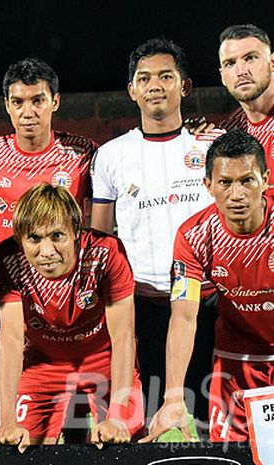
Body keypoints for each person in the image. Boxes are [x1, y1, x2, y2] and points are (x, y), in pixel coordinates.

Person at [91, 38, 222, 428]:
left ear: (185, 85)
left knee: (213, 425)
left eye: (166, 76)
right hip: (142, 308)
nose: (155, 85)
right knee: (141, 426)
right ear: (132, 90)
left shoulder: (210, 145)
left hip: (207, 305)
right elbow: (101, 238)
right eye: (144, 78)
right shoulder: (112, 154)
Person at [144, 129, 274, 443]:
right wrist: (174, 395)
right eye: (225, 183)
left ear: (266, 180)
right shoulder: (194, 236)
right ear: (208, 186)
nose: (237, 194)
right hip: (236, 361)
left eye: (247, 180)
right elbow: (184, 316)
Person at [0, 183, 143, 448]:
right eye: (34, 239)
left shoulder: (106, 252)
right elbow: (11, 339)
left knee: (123, 443)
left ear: (75, 231)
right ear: (20, 239)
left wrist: (118, 414)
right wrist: (5, 419)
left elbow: (123, 336)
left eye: (57, 236)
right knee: (18, 447)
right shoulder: (8, 258)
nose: (47, 251)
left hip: (103, 360)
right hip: (43, 363)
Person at [0, 57, 97, 250]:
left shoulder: (82, 153)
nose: (28, 112)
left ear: (55, 101)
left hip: (67, 278)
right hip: (7, 278)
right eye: (18, 102)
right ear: (7, 105)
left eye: (38, 101)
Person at [218, 24, 274, 171]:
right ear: (222, 76)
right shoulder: (227, 132)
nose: (241, 71)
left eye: (250, 58)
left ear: (272, 63)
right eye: (230, 63)